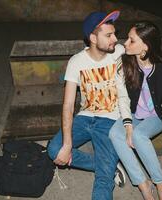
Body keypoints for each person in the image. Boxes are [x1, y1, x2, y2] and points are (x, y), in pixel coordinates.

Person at [47, 10, 132, 200]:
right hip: (85, 117)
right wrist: (67, 144)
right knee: (54, 150)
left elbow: (148, 56)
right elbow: (68, 104)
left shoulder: (119, 51)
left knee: (102, 182)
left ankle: (105, 168)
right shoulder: (76, 62)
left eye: (114, 33)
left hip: (110, 120)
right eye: (109, 35)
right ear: (93, 38)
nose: (115, 39)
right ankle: (105, 165)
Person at [109, 21, 162, 200]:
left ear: (146, 46)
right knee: (115, 133)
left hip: (157, 114)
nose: (125, 43)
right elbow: (123, 98)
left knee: (139, 135)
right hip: (134, 112)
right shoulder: (124, 63)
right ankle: (143, 185)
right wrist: (127, 126)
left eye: (131, 40)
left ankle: (160, 184)